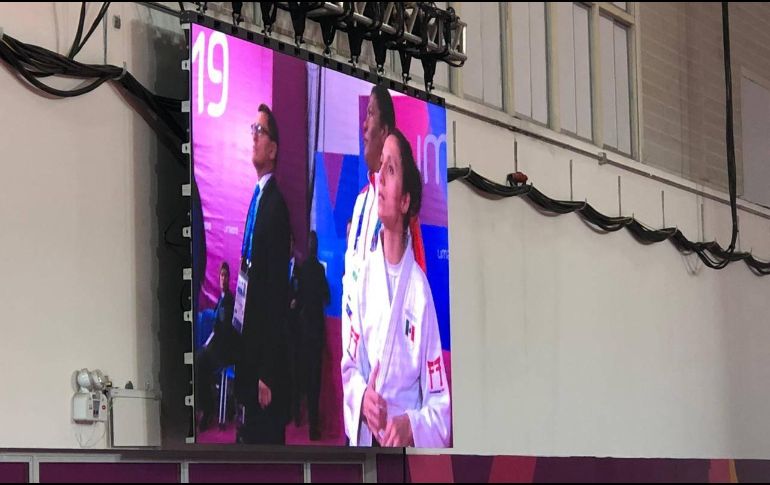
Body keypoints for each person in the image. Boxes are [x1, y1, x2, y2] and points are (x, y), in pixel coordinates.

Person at [341, 130, 451, 448]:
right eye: (380, 168)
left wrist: (411, 425)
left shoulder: (419, 291)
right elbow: (349, 367)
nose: (380, 178)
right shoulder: (363, 277)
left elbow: (439, 406)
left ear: (404, 201)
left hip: (403, 455)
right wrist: (362, 397)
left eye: (390, 170)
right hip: (365, 447)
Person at [234, 104, 291, 445]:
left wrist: (267, 371)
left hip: (263, 366)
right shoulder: (258, 199)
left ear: (273, 150)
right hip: (248, 349)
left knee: (264, 448)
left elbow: (276, 294)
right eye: (252, 130)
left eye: (260, 131)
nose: (254, 137)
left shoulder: (275, 207)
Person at [195, 262, 238, 431]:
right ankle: (206, 405)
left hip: (223, 351)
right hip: (215, 346)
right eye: (221, 275)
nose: (223, 278)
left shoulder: (229, 301)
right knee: (199, 360)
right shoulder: (221, 299)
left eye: (226, 275)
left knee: (200, 361)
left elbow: (224, 330)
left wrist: (210, 346)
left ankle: (207, 409)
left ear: (229, 278)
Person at [296, 231, 330, 441]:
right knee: (315, 379)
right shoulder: (319, 270)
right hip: (316, 330)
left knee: (305, 376)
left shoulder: (303, 270)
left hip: (304, 330)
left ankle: (300, 417)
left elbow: (298, 298)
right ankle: (313, 425)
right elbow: (326, 297)